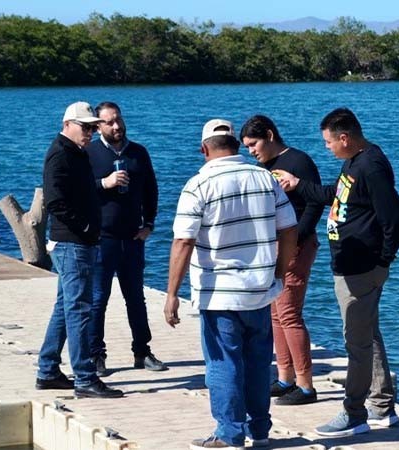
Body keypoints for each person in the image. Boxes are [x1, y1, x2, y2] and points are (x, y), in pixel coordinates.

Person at [164, 119, 298, 450]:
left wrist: (171, 295)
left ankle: (229, 433)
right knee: (257, 362)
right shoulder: (265, 178)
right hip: (259, 290)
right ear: (236, 146)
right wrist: (279, 273)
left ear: (204, 149)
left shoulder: (198, 184)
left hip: (218, 293)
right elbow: (290, 230)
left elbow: (183, 242)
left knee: (223, 363)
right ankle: (261, 430)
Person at [274, 107, 399, 437]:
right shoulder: (354, 163)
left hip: (362, 269)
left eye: (328, 142)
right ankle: (383, 405)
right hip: (349, 265)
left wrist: (382, 261)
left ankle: (354, 413)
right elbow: (339, 193)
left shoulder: (372, 165)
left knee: (356, 343)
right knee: (368, 334)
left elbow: (395, 217)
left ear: (345, 138)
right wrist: (299, 185)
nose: (327, 148)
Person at [35, 101, 124, 399]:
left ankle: (47, 370)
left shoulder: (76, 153)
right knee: (79, 308)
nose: (90, 131)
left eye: (92, 126)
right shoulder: (60, 154)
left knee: (65, 306)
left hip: (80, 242)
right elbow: (55, 201)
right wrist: (85, 229)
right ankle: (84, 377)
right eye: (85, 126)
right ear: (67, 125)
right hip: (72, 243)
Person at [240, 115, 324, 406]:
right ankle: (285, 377)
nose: (251, 151)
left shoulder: (299, 161)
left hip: (297, 245)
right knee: (274, 313)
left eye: (254, 144)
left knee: (289, 312)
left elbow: (314, 205)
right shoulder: (264, 167)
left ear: (270, 135)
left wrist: (296, 241)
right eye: (247, 147)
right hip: (273, 248)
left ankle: (306, 385)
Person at [87, 101, 164, 376]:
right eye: (109, 122)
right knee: (98, 299)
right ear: (98, 127)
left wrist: (150, 225)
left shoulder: (138, 152)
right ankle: (96, 356)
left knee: (136, 298)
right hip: (101, 239)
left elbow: (151, 190)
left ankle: (142, 352)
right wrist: (103, 184)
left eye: (118, 120)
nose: (117, 126)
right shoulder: (90, 153)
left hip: (133, 237)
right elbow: (79, 193)